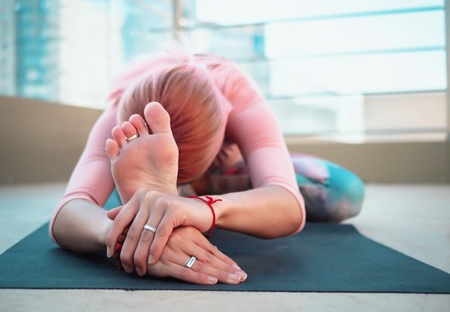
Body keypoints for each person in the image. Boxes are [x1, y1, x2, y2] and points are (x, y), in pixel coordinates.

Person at [49, 51, 364, 285]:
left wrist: (205, 207)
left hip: (230, 175)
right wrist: (117, 233)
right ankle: (154, 198)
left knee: (338, 189)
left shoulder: (235, 93)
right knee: (124, 208)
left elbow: (288, 203)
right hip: (163, 180)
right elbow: (67, 210)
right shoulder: (123, 110)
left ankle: (161, 199)